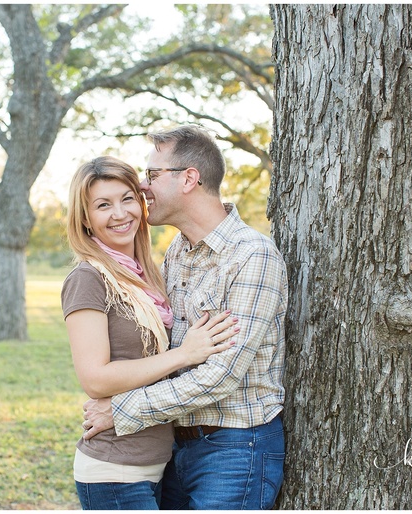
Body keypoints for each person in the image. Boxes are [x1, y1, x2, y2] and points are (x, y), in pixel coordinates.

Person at [81, 126, 289, 510]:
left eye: (152, 175)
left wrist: (122, 409)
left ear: (189, 178)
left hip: (235, 449)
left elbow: (221, 375)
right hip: (176, 445)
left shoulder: (251, 256)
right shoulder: (177, 251)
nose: (143, 187)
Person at [62, 155, 240, 510]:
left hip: (159, 465)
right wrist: (185, 354)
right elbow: (95, 380)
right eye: (103, 205)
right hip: (114, 471)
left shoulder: (149, 275)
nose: (119, 213)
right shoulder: (88, 279)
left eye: (127, 199)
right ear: (85, 219)